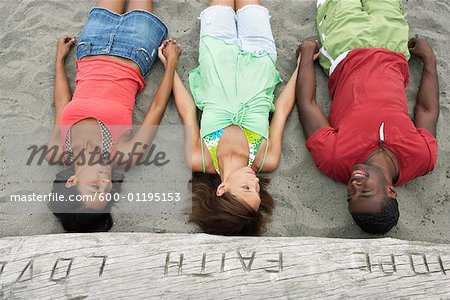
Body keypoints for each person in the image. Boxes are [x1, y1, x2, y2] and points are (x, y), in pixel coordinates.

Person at [296, 0, 439, 234]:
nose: (354, 185)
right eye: (365, 191)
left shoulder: (334, 159)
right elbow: (427, 110)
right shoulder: (422, 158)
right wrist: (429, 61)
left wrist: (305, 59)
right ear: (391, 191)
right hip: (393, 47)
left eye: (350, 196)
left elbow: (307, 104)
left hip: (346, 46)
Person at [159, 0, 298, 236]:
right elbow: (282, 108)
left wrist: (169, 66)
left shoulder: (200, 158)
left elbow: (187, 110)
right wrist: (301, 67)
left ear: (222, 189)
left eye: (246, 188)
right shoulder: (266, 159)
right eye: (256, 190)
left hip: (216, 53)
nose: (255, 182)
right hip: (259, 56)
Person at [46, 0, 181, 232]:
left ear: (72, 182)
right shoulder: (123, 155)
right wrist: (171, 65)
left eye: (96, 187)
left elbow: (62, 103)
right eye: (107, 192)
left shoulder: (57, 150)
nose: (106, 183)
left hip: (90, 46)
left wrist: (59, 60)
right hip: (135, 50)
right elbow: (157, 107)